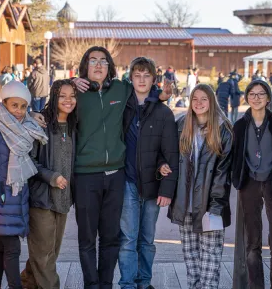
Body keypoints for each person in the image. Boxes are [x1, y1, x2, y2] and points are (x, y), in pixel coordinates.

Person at [32, 46, 172, 288]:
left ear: (110, 67)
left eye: (103, 61)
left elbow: (145, 91)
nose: (98, 65)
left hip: (116, 175)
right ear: (85, 65)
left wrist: (160, 95)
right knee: (87, 238)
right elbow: (56, 103)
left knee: (111, 238)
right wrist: (35, 115)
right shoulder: (76, 92)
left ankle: (105, 284)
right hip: (86, 175)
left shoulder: (122, 89)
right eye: (93, 60)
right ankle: (92, 284)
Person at [0, 81, 48, 289]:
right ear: (3, 103)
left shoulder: (23, 128)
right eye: (14, 105)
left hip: (15, 199)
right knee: (12, 248)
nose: (19, 111)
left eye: (23, 106)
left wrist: (32, 115)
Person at [118, 57, 179, 289]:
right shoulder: (123, 107)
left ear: (154, 79)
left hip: (153, 185)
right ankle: (127, 284)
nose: (141, 80)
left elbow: (170, 153)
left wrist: (167, 188)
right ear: (130, 78)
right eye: (137, 75)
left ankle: (144, 282)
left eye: (146, 76)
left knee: (147, 240)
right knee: (128, 239)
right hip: (127, 183)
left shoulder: (163, 113)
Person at [164, 84, 233, 289]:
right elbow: (168, 156)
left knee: (209, 265)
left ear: (211, 102)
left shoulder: (223, 129)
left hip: (211, 207)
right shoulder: (181, 126)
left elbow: (223, 174)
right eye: (195, 99)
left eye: (204, 99)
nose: (199, 103)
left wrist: (215, 208)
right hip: (185, 205)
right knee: (192, 262)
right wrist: (162, 165)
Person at [232, 80, 272, 288]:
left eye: (261, 94)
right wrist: (237, 178)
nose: (256, 98)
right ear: (247, 97)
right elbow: (235, 155)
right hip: (249, 183)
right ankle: (255, 285)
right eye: (252, 94)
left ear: (268, 98)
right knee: (252, 241)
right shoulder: (240, 126)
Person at [20, 79, 78, 289]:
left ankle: (26, 281)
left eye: (72, 95)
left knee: (49, 252)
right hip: (41, 198)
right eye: (62, 95)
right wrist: (51, 176)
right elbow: (28, 160)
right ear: (54, 97)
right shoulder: (40, 123)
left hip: (63, 199)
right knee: (44, 255)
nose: (68, 100)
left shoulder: (74, 125)